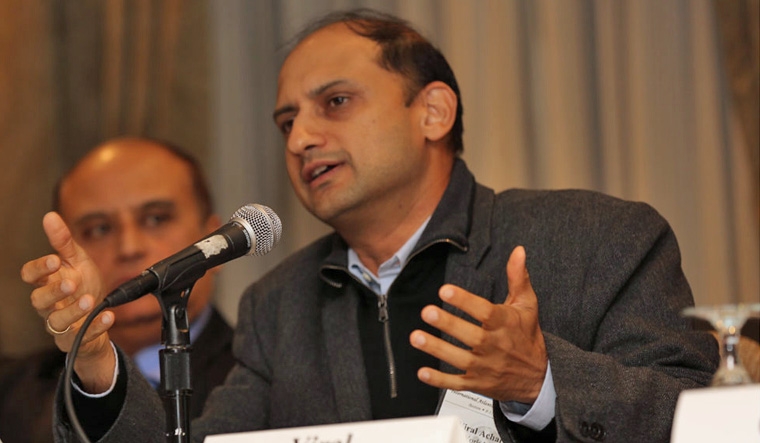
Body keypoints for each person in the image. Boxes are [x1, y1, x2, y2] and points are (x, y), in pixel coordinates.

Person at [21, 9, 717, 443]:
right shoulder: (279, 306)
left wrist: (542, 382)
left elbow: (702, 418)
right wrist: (96, 359)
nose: (301, 138)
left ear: (433, 112)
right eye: (287, 122)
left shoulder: (599, 239)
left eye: (335, 102)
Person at [6, 137, 235, 443]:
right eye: (99, 229)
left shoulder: (264, 375)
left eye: (156, 218)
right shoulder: (10, 393)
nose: (129, 248)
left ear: (215, 243)